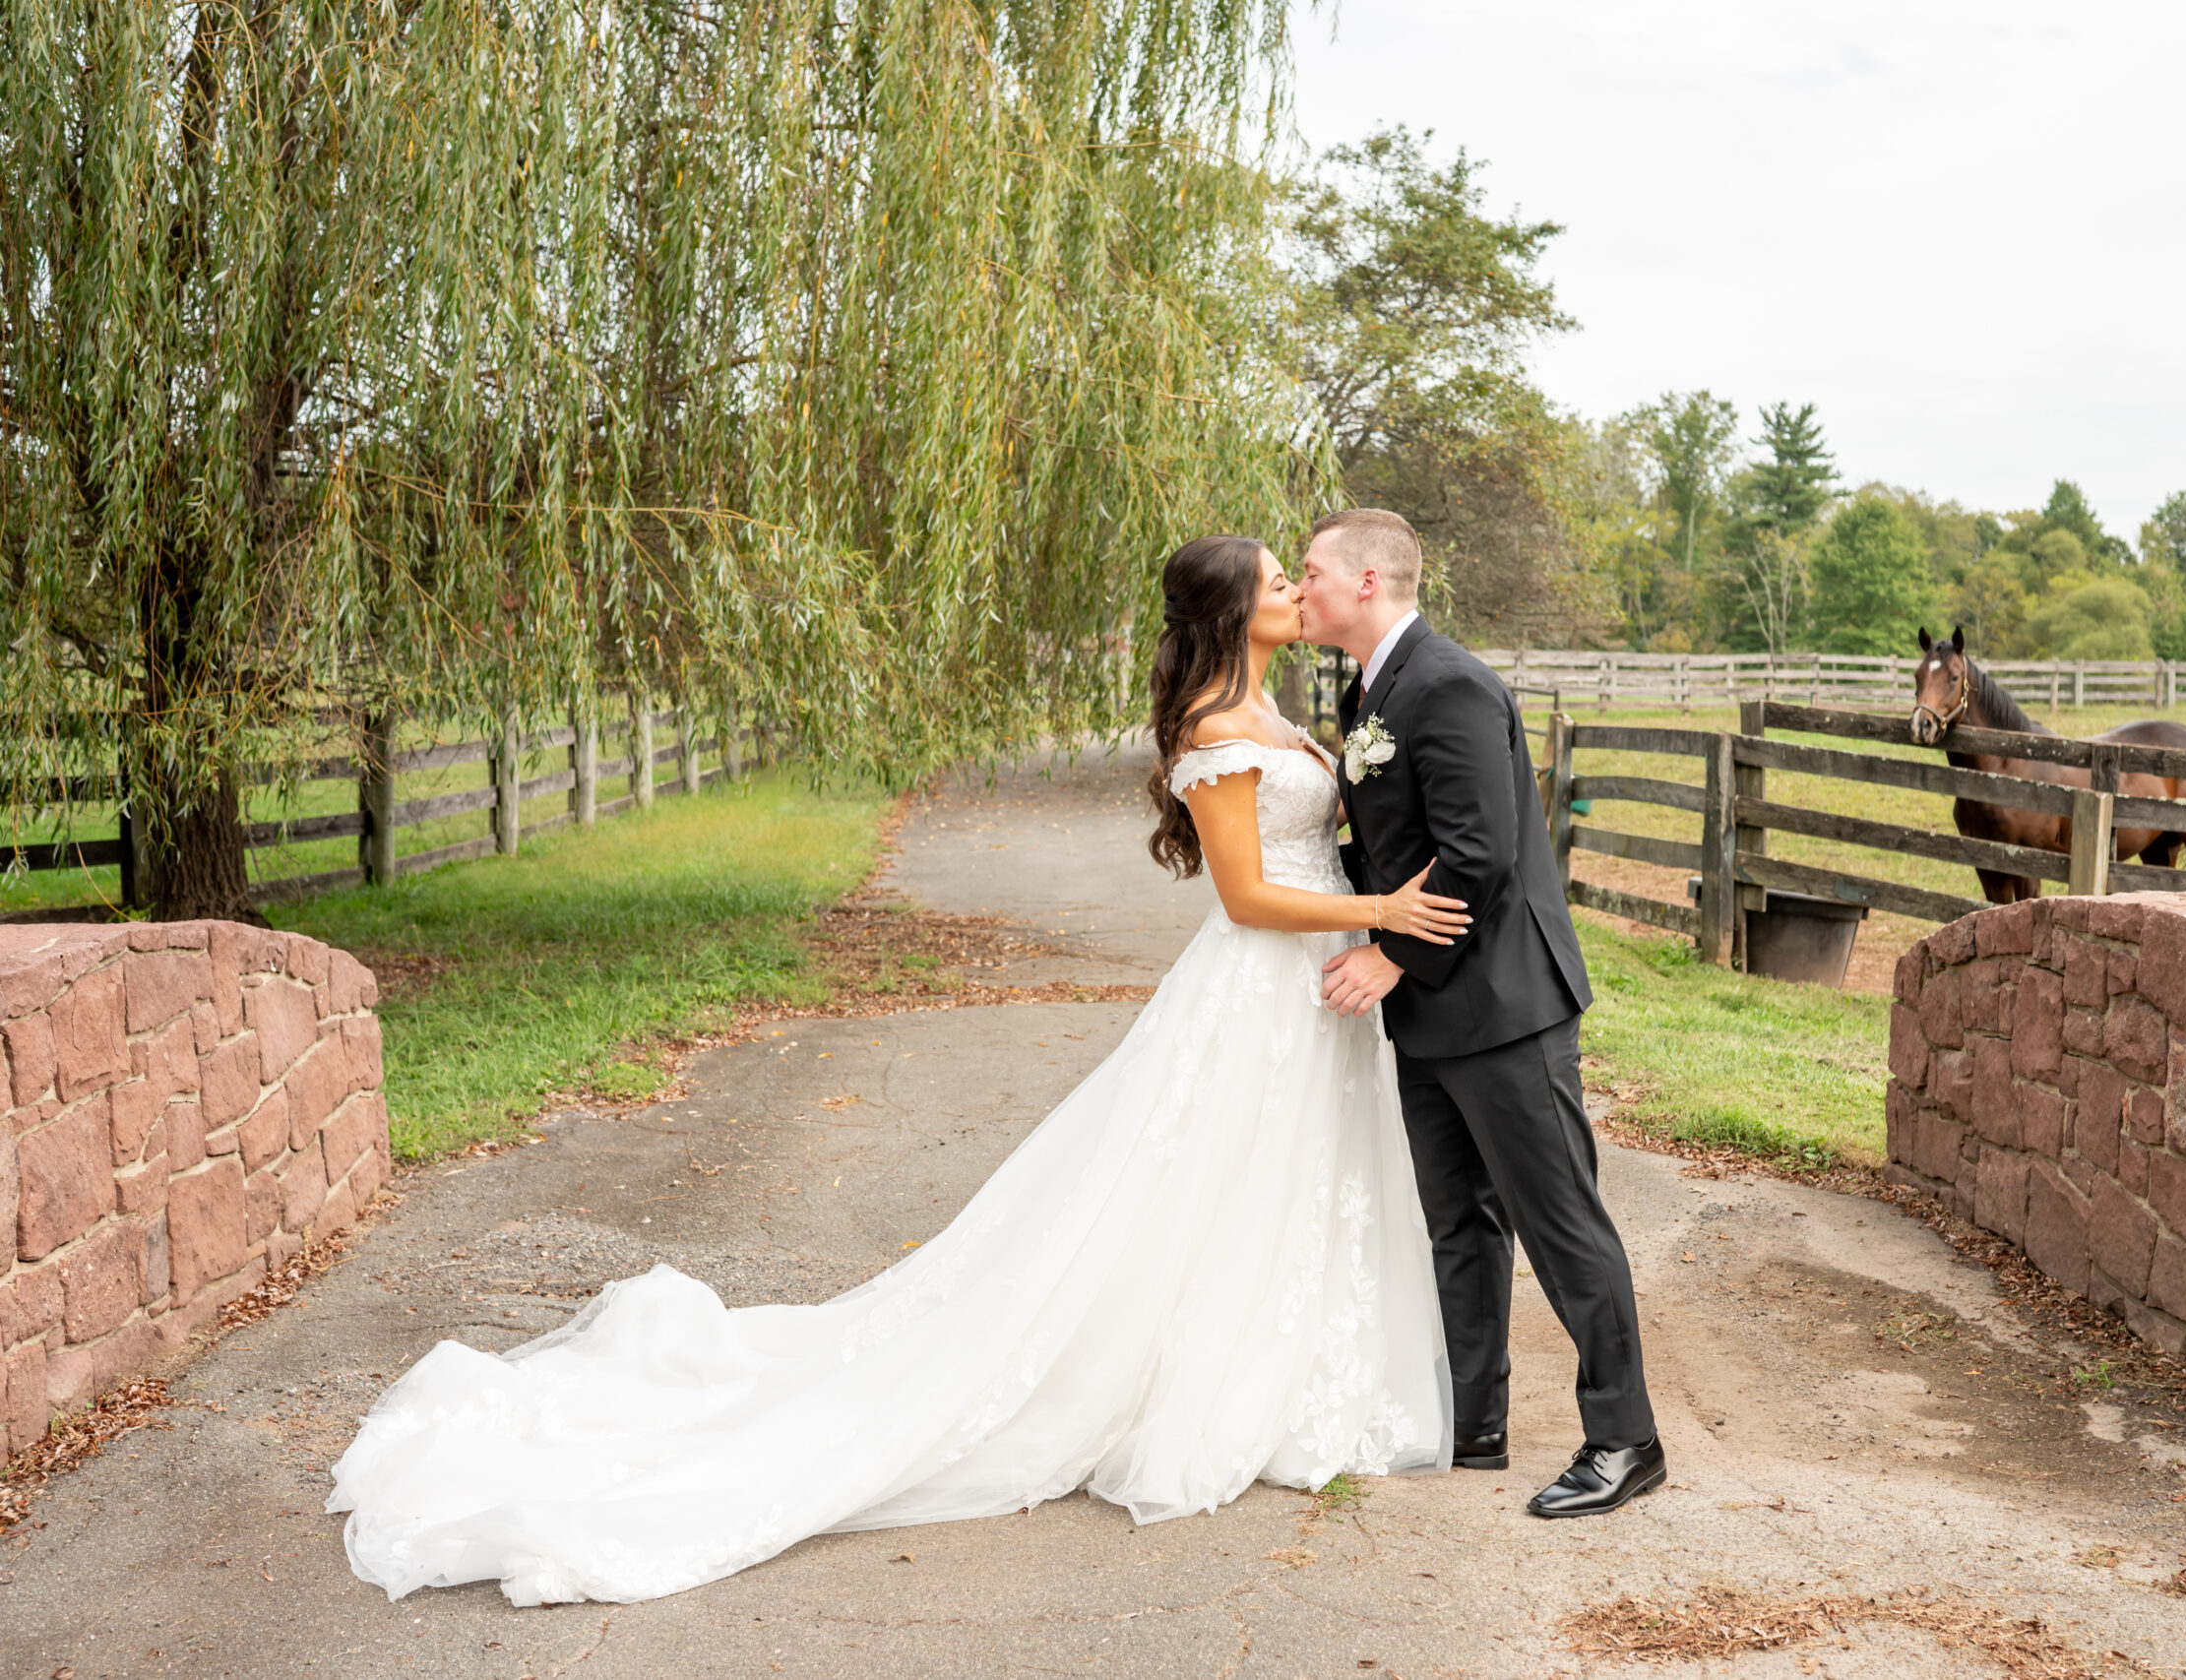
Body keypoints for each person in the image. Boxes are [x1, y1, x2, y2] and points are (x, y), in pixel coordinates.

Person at [327, 534, 1470, 1606]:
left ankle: (1271, 1372)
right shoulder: (1221, 724)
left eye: (1294, 577)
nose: (1291, 592)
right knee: (1201, 1179)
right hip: (1257, 979)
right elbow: (1242, 895)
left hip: (1315, 980)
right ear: (1232, 612)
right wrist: (1382, 909)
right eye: (1275, 580)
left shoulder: (1275, 705)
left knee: (1278, 1183)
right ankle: (1177, 1388)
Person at [1296, 508, 1663, 1519]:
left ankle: (1625, 1439)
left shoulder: (1446, 682)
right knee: (1459, 1224)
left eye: (1313, 570)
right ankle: (1475, 1422)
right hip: (1432, 1012)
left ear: (1368, 580)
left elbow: (1480, 854)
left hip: (1503, 1007)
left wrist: (1387, 953)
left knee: (1560, 1224)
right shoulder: (1368, 686)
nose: (1301, 586)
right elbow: (1394, 837)